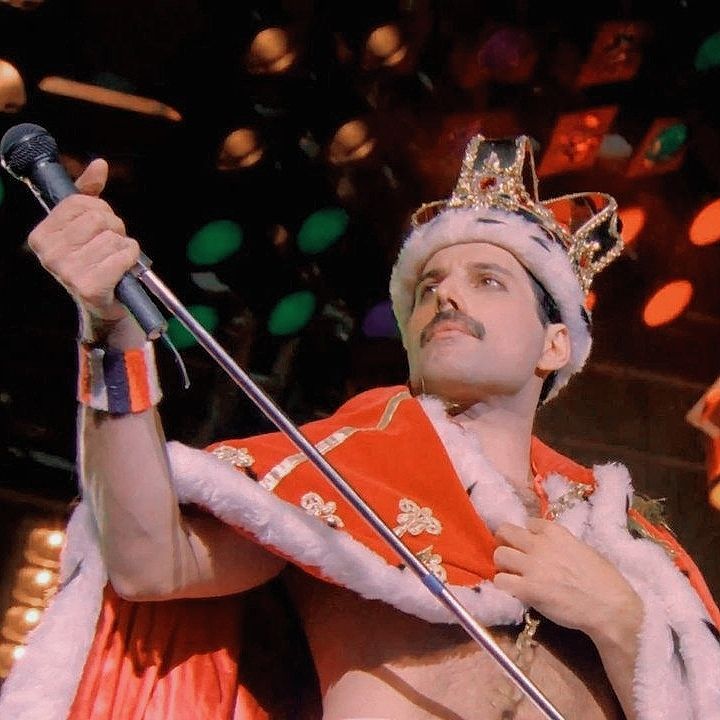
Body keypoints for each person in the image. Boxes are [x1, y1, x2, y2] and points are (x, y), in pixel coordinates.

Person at [1, 134, 719, 720]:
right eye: (430, 287)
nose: (446, 297)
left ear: (555, 344)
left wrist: (620, 622)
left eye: (487, 280)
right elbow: (148, 562)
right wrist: (111, 328)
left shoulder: (625, 545)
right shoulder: (341, 473)